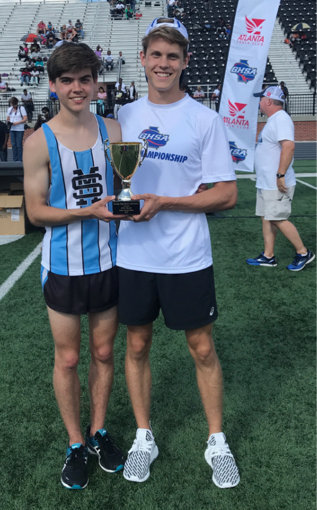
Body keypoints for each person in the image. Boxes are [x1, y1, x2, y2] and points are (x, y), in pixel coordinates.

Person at [116, 17, 240, 488]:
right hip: (133, 254)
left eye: (173, 55)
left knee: (202, 347)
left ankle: (216, 440)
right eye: (156, 54)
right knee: (137, 344)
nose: (163, 63)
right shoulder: (122, 117)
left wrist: (166, 202)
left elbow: (226, 194)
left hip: (187, 255)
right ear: (143, 59)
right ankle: (144, 436)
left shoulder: (205, 119)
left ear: (185, 61)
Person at [23, 42, 126, 491]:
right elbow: (36, 212)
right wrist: (89, 212)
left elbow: (125, 189)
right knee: (68, 358)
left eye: (85, 79)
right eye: (68, 80)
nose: (78, 88)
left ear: (96, 83)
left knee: (104, 353)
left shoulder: (114, 129)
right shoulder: (37, 142)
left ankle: (99, 432)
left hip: (109, 260)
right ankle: (74, 443)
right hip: (63, 265)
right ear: (53, 85)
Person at [246, 86, 314, 271]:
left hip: (276, 182)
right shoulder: (274, 120)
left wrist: (280, 174)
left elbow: (289, 147)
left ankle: (303, 252)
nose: (259, 102)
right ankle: (268, 256)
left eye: (261, 99)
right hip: (267, 182)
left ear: (268, 100)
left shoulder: (281, 119)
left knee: (277, 217)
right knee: (267, 217)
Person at [6, 97, 27, 162]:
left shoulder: (21, 108)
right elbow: (8, 118)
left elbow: (25, 118)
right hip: (12, 128)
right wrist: (9, 122)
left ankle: (19, 159)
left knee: (19, 145)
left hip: (19, 129)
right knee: (13, 145)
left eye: (13, 104)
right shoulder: (9, 109)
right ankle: (15, 159)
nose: (12, 105)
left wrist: (17, 123)